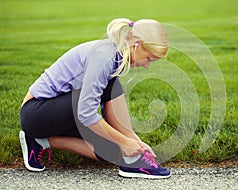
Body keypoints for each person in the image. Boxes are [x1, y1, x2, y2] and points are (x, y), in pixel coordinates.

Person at [19, 18, 171, 179]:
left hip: (62, 114)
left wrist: (135, 143)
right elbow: (86, 112)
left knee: (111, 152)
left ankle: (42, 140)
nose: (147, 65)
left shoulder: (115, 58)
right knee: (102, 97)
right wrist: (124, 142)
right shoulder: (104, 56)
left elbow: (102, 112)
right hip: (36, 114)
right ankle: (34, 134)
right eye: (149, 59)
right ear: (137, 44)